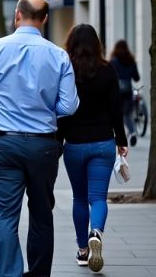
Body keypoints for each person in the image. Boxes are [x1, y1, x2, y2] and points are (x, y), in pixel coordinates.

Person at [0, 0, 79, 277]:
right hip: (44, 144)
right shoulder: (58, 55)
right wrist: (43, 106)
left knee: (5, 216)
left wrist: (4, 103)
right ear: (45, 19)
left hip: (4, 142)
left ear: (17, 15)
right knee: (42, 213)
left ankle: (9, 274)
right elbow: (68, 106)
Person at [59, 25, 129, 272]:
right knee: (98, 198)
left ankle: (82, 250)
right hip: (103, 143)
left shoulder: (67, 71)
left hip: (75, 144)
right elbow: (116, 109)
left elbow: (61, 111)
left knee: (79, 198)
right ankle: (96, 232)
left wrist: (57, 142)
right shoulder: (107, 70)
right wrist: (121, 140)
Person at [110, 40, 141, 147]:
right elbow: (137, 78)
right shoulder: (131, 61)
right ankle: (132, 133)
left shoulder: (113, 61)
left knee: (116, 114)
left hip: (116, 92)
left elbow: (109, 77)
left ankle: (116, 136)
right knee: (127, 115)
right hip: (128, 91)